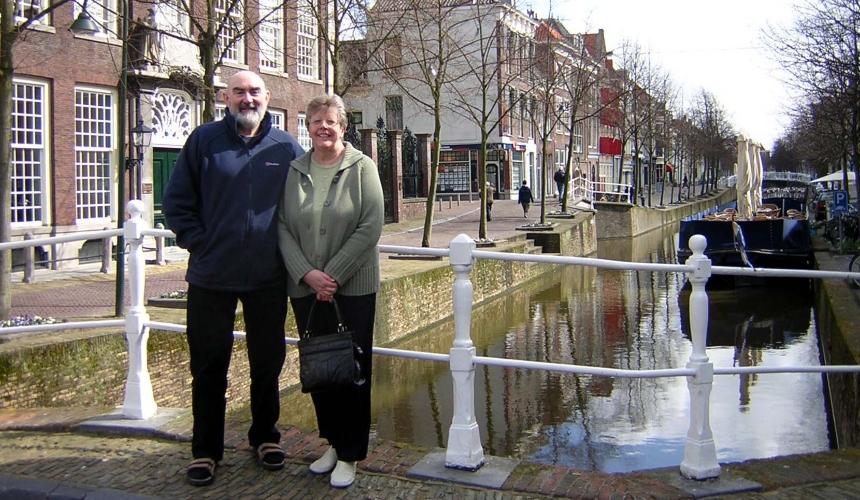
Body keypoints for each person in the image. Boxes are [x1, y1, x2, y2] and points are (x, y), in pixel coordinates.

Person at [162, 70, 304, 487]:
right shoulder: (203, 141)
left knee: (267, 362)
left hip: (267, 276)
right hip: (211, 275)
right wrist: (199, 243)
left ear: (267, 97)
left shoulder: (286, 147)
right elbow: (177, 202)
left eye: (254, 92)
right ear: (226, 97)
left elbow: (305, 202)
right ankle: (206, 450)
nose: (247, 99)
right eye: (239, 91)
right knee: (208, 365)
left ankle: (265, 437)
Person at [277, 94, 384, 489]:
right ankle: (334, 443)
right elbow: (282, 226)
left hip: (352, 288)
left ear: (343, 127)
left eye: (331, 121)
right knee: (321, 368)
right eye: (317, 121)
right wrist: (307, 274)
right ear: (308, 127)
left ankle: (352, 453)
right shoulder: (295, 170)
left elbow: (370, 225)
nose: (324, 127)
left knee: (352, 369)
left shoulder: (362, 168)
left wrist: (332, 275)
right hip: (306, 289)